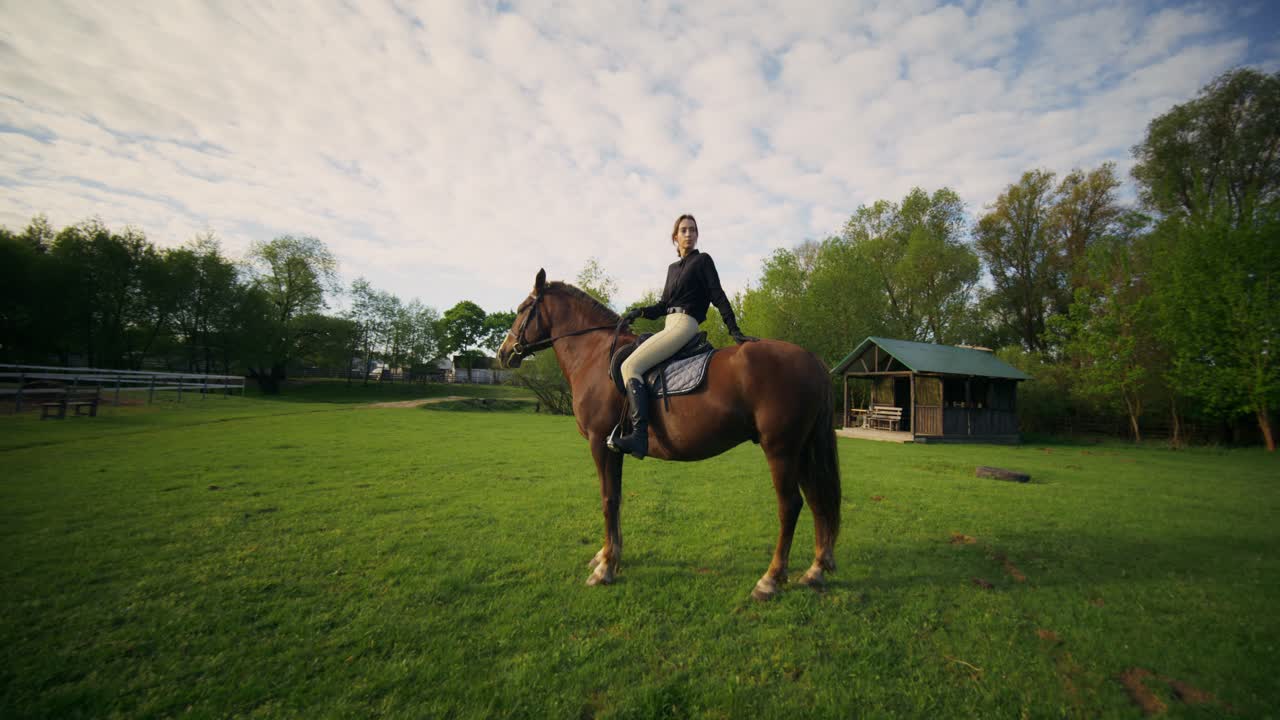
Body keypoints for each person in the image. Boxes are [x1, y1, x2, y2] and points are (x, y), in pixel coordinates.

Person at [608, 214, 756, 459]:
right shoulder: (672, 269)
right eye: (684, 230)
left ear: (697, 235)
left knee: (629, 366)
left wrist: (734, 330)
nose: (689, 234)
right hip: (669, 325)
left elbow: (718, 296)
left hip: (685, 325)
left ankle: (639, 437)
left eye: (693, 230)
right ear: (675, 238)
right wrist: (640, 311)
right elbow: (664, 305)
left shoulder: (703, 261)